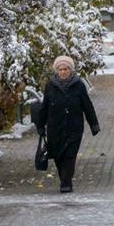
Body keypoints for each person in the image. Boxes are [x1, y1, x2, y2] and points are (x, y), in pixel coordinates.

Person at [33, 55, 99, 193]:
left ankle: (66, 182)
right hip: (55, 127)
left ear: (71, 70)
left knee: (70, 154)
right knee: (58, 155)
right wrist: (40, 126)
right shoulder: (50, 86)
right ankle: (64, 179)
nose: (63, 72)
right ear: (56, 71)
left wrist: (94, 124)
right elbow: (44, 107)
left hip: (74, 127)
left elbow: (87, 106)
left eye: (66, 69)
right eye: (60, 69)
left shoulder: (79, 85)